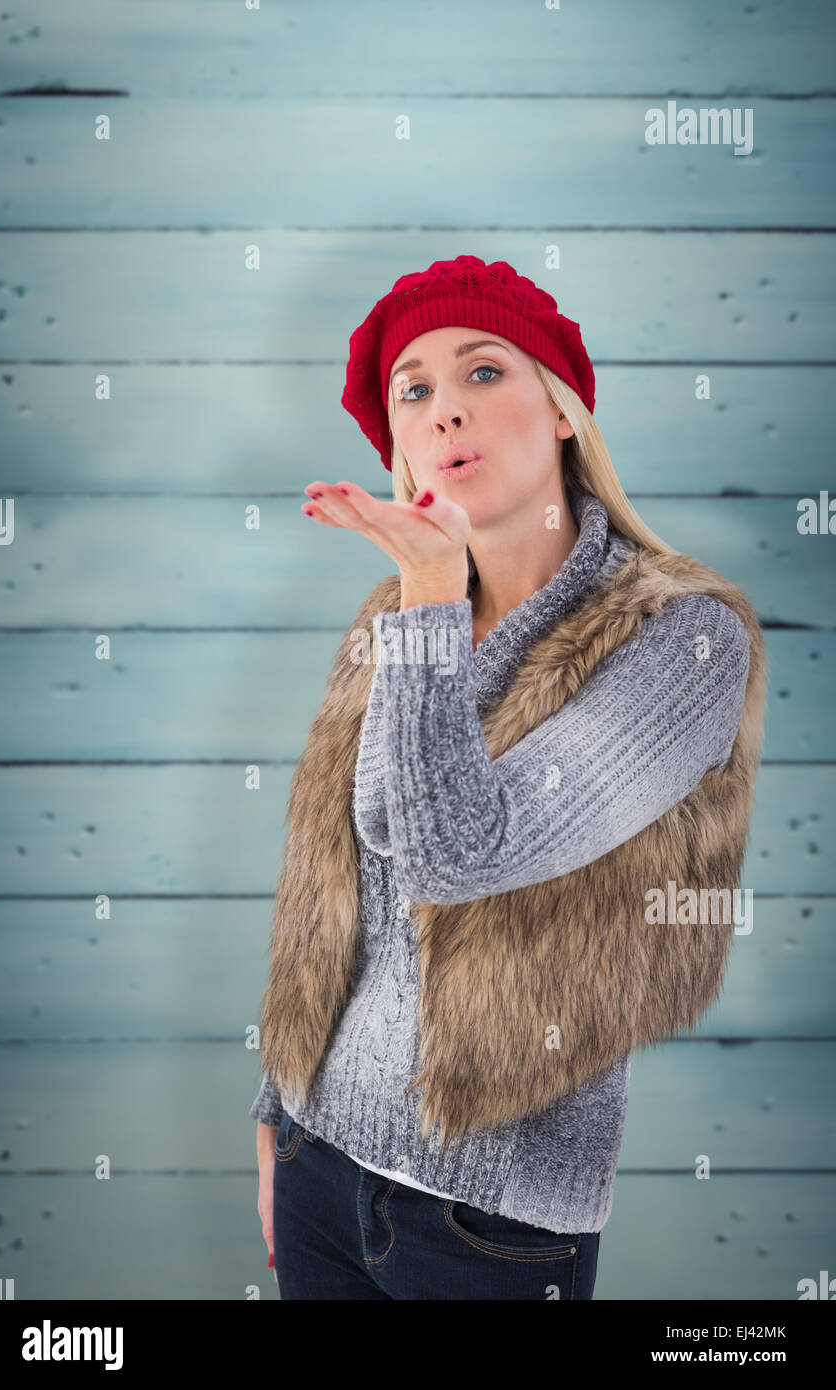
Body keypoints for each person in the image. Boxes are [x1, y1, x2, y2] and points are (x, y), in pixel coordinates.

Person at [250, 254, 766, 1301]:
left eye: (484, 371)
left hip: (492, 1226)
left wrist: (431, 586)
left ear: (563, 409)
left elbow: (460, 854)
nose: (446, 411)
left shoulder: (683, 637)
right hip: (320, 1169)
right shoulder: (392, 619)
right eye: (416, 389)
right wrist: (276, 1110)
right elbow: (326, 884)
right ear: (397, 442)